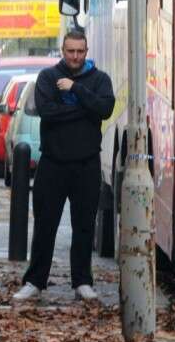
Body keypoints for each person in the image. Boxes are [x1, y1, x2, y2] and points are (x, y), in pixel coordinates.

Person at [14, 29, 114, 302]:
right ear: (62, 50)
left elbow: (105, 108)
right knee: (45, 225)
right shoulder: (48, 77)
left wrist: (76, 90)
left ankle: (82, 282)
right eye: (70, 51)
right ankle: (35, 281)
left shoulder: (100, 79)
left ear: (86, 51)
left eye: (80, 51)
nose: (75, 56)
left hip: (87, 164)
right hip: (53, 163)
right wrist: (85, 109)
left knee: (84, 226)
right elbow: (48, 113)